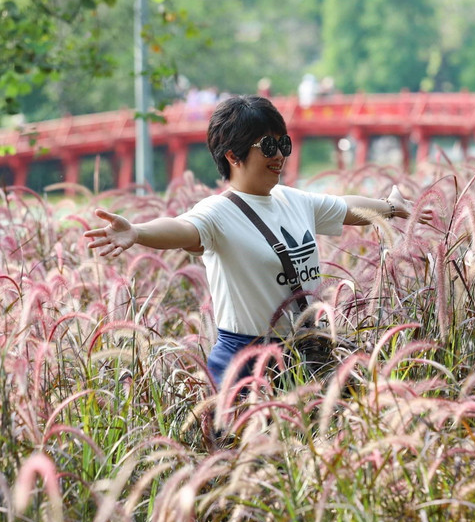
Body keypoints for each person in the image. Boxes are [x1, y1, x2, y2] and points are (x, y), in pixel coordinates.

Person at [85, 95, 429, 385]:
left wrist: (391, 208)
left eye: (283, 143)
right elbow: (182, 229)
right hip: (245, 362)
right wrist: (138, 231)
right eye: (268, 145)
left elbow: (345, 208)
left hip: (303, 353)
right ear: (233, 156)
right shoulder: (218, 212)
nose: (279, 154)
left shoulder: (293, 200)